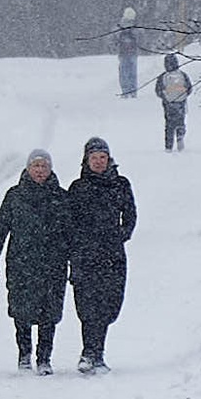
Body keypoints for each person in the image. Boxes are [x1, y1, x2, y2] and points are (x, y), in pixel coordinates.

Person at [0, 150, 71, 375]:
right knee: (21, 311)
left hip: (53, 264)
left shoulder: (61, 196)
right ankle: (24, 355)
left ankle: (44, 358)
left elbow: (71, 233)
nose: (40, 170)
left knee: (49, 313)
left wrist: (75, 260)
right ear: (28, 169)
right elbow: (0, 228)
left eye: (44, 166)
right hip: (21, 264)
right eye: (36, 166)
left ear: (50, 169)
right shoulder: (14, 196)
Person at [67, 137, 138, 374]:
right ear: (86, 160)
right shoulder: (78, 188)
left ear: (109, 160)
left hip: (112, 254)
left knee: (109, 304)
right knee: (87, 305)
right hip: (85, 255)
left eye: (102, 158)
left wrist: (121, 235)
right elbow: (69, 221)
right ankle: (90, 353)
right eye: (94, 158)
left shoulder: (121, 184)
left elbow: (130, 215)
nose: (98, 162)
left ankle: (98, 351)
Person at [155, 53, 193, 151]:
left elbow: (158, 90)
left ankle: (169, 145)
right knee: (180, 122)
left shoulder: (163, 77)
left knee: (169, 125)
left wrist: (165, 97)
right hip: (181, 103)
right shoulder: (183, 75)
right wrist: (183, 96)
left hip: (168, 104)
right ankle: (180, 136)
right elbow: (189, 88)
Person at [115, 7, 139, 97]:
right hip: (128, 53)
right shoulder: (122, 27)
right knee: (130, 73)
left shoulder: (120, 27)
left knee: (126, 73)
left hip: (127, 53)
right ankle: (131, 91)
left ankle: (128, 91)